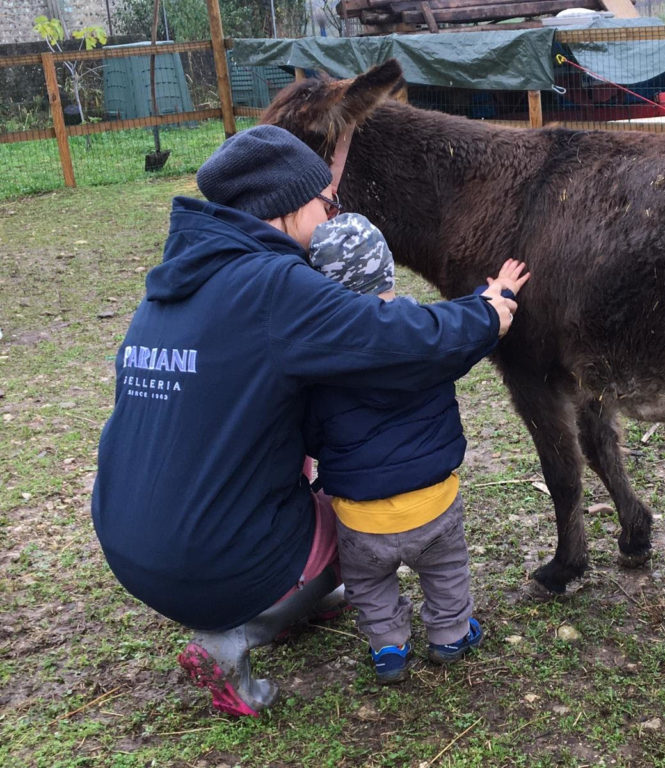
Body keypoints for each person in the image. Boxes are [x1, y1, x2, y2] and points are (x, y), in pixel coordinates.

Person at [90, 124, 521, 717]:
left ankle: (291, 595)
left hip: (131, 545)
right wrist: (486, 313)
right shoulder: (272, 284)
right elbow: (394, 337)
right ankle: (232, 637)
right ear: (290, 205)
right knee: (367, 511)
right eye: (328, 204)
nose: (333, 215)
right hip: (209, 561)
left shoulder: (177, 282)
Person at [304, 214, 529, 683]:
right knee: (446, 572)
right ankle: (450, 635)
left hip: (360, 518)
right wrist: (501, 294)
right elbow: (474, 326)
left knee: (368, 584)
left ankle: (388, 647)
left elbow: (308, 433)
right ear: (387, 268)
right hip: (434, 508)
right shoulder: (430, 332)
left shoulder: (315, 354)